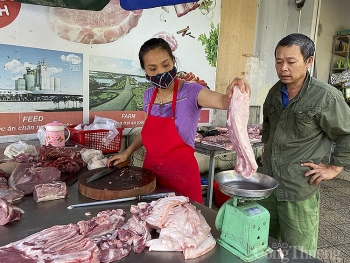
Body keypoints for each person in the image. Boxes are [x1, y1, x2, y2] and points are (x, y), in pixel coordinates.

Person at [107, 37, 250, 204]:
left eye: (166, 65)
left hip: (182, 179)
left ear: (173, 61)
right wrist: (127, 152)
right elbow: (147, 131)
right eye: (153, 69)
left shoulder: (191, 92)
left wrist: (233, 92)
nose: (160, 72)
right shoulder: (148, 96)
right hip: (152, 175)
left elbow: (224, 101)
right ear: (145, 71)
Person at [258, 33, 350, 257]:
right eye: (279, 61)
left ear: (309, 61)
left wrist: (334, 168)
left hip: (298, 186)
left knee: (299, 252)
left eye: (291, 61)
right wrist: (268, 151)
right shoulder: (274, 92)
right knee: (263, 242)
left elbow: (346, 134)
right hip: (268, 183)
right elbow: (268, 125)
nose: (283, 68)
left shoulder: (326, 97)